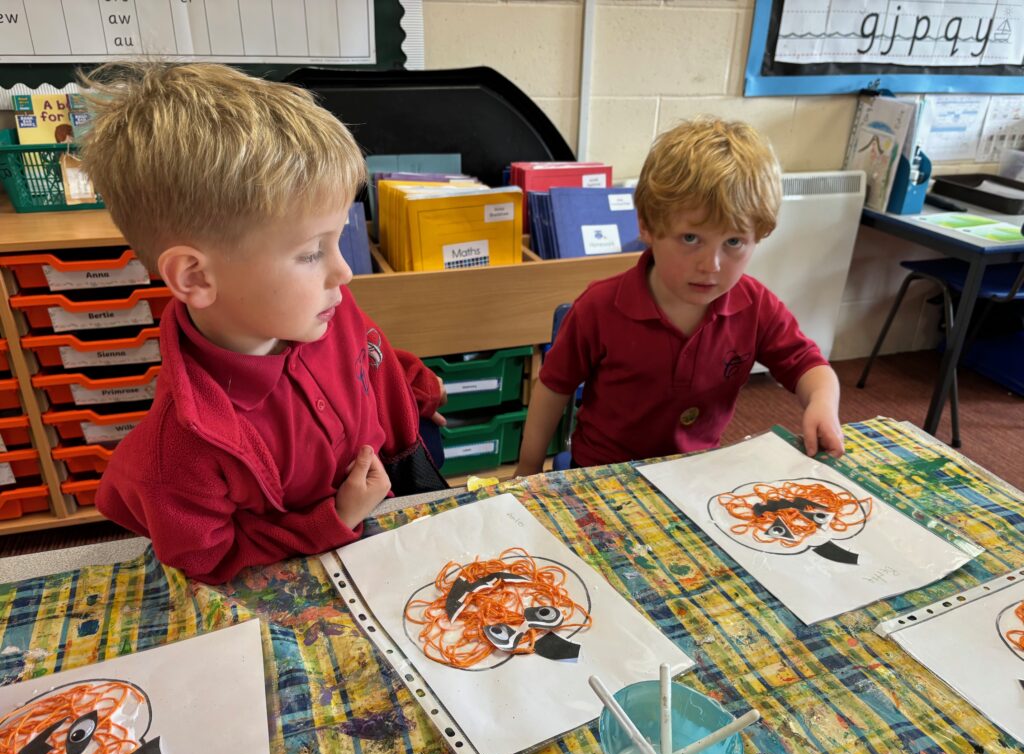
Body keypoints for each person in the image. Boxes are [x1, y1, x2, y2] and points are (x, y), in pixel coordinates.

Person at [80, 62, 448, 584]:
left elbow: (369, 353)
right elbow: (209, 559)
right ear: (195, 276)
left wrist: (415, 387)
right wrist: (335, 519)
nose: (343, 271)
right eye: (309, 253)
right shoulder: (177, 456)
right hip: (319, 565)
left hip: (400, 483)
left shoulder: (323, 310)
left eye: (337, 239)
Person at [516, 116, 844, 475]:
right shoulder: (598, 308)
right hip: (603, 473)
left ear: (758, 237)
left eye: (733, 242)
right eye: (691, 238)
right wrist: (528, 469)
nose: (712, 265)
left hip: (696, 473)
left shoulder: (756, 305)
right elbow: (552, 388)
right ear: (647, 226)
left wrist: (823, 402)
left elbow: (809, 366)